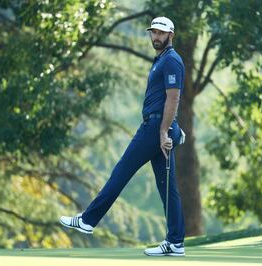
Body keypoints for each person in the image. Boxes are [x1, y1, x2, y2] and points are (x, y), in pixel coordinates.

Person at [60, 16, 186, 256]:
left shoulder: (171, 61)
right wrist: (170, 130)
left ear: (171, 35)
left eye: (161, 33)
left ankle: (88, 220)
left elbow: (174, 98)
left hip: (154, 129)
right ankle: (176, 242)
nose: (156, 37)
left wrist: (163, 131)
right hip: (158, 127)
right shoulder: (161, 60)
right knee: (167, 187)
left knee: (121, 172)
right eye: (153, 32)